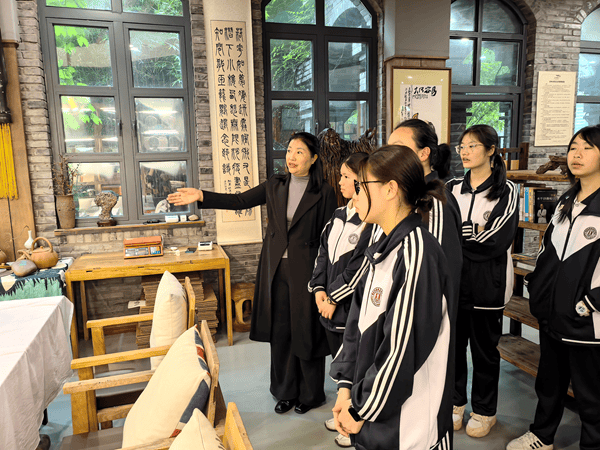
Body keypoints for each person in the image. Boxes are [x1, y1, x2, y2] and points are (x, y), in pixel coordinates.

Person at [168, 131, 337, 415]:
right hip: (275, 269)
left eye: (299, 152)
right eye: (289, 150)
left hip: (308, 271)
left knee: (305, 331)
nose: (292, 157)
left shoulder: (325, 192)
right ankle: (285, 392)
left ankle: (311, 394)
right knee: (281, 332)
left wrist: (325, 279)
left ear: (313, 159)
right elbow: (239, 200)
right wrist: (201, 195)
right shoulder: (275, 184)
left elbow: (329, 237)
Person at [330, 145, 454, 450]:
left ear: (390, 189)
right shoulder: (382, 248)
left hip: (409, 427)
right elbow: (355, 327)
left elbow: (400, 351)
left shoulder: (416, 254)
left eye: (361, 186)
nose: (354, 194)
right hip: (373, 410)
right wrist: (346, 388)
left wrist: (360, 409)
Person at [506, 124, 600, 450]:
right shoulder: (566, 202)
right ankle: (542, 436)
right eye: (573, 147)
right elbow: (548, 253)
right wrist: (537, 288)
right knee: (549, 383)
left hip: (588, 323)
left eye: (587, 148)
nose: (577, 154)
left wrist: (590, 302)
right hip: (553, 314)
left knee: (591, 395)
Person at [446, 124, 519, 437]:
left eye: (473, 145)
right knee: (453, 349)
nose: (465, 151)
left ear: (491, 150)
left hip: (489, 286)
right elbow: (443, 233)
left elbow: (496, 240)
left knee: (484, 352)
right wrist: (469, 234)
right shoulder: (451, 188)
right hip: (454, 284)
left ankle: (485, 410)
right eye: (462, 146)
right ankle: (455, 403)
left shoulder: (507, 190)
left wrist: (462, 238)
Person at [308, 152, 375, 448]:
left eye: (348, 176)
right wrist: (318, 289)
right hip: (329, 308)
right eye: (342, 175)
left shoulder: (369, 222)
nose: (341, 180)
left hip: (349, 310)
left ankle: (353, 423)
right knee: (339, 364)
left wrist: (333, 297)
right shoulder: (337, 215)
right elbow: (322, 254)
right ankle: (341, 412)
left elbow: (358, 268)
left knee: (355, 366)